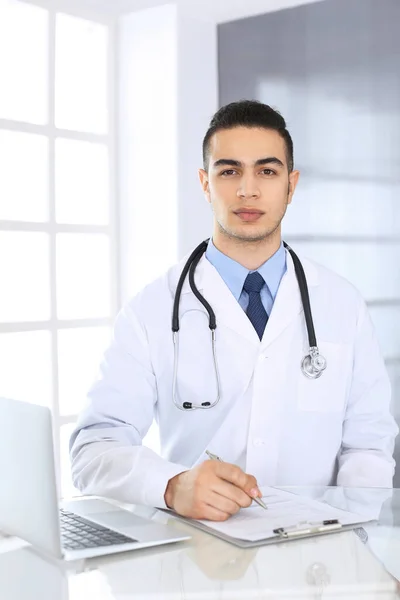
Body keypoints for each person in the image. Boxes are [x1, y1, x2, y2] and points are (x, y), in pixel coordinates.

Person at [70, 100, 398, 522]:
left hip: (317, 557)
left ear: (291, 184)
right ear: (205, 183)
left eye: (267, 171)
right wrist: (170, 486)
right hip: (196, 556)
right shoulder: (150, 310)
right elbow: (93, 448)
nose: (248, 190)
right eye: (229, 171)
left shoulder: (342, 304)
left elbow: (368, 445)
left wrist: (347, 531)